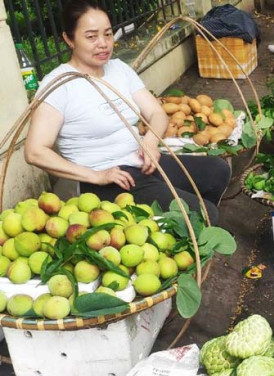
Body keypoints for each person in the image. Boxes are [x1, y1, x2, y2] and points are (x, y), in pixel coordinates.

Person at [24, 0, 230, 225]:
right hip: (107, 178)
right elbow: (35, 151)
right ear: (69, 39)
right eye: (91, 37)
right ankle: (182, 228)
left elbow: (157, 114)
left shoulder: (119, 69)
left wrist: (150, 143)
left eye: (107, 34)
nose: (103, 44)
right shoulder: (58, 84)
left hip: (139, 162)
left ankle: (179, 231)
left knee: (217, 171)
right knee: (205, 214)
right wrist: (96, 175)